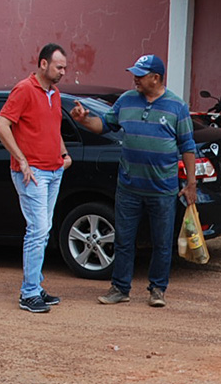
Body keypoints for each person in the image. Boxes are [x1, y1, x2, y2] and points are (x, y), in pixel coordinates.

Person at [69, 54, 197, 308]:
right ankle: (120, 288)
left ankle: (158, 289)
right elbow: (103, 125)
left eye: (140, 74)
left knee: (162, 242)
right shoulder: (126, 101)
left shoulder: (176, 106)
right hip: (128, 188)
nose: (135, 79)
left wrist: (191, 184)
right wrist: (83, 118)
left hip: (162, 189)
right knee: (124, 240)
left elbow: (188, 146)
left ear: (156, 78)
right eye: (135, 73)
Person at [0, 43, 73, 313]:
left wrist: (64, 153)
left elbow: (53, 127)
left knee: (43, 229)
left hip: (53, 170)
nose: (63, 72)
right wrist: (22, 159)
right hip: (34, 173)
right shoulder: (25, 89)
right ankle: (28, 293)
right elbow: (1, 125)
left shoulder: (55, 93)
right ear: (43, 64)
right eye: (58, 66)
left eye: (64, 67)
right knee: (37, 231)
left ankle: (35, 287)